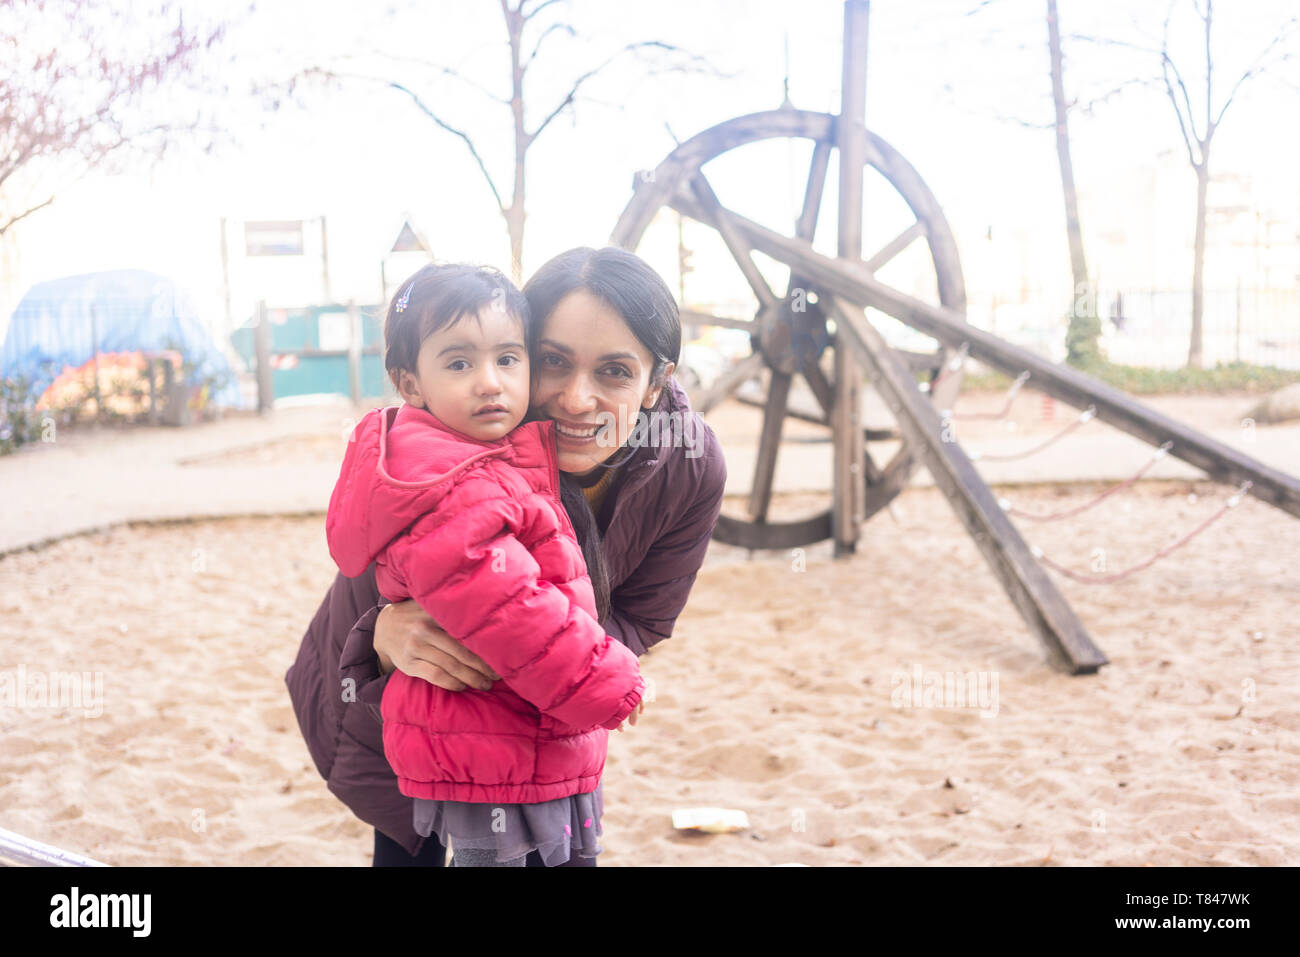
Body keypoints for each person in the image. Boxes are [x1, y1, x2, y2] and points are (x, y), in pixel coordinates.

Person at [286, 246, 727, 866]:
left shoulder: (688, 464)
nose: (577, 399)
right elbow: (371, 587)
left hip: (545, 715)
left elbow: (645, 617)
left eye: (615, 372)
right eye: (553, 362)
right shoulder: (454, 449)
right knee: (408, 841)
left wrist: (553, 672)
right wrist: (383, 636)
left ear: (657, 383)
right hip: (397, 693)